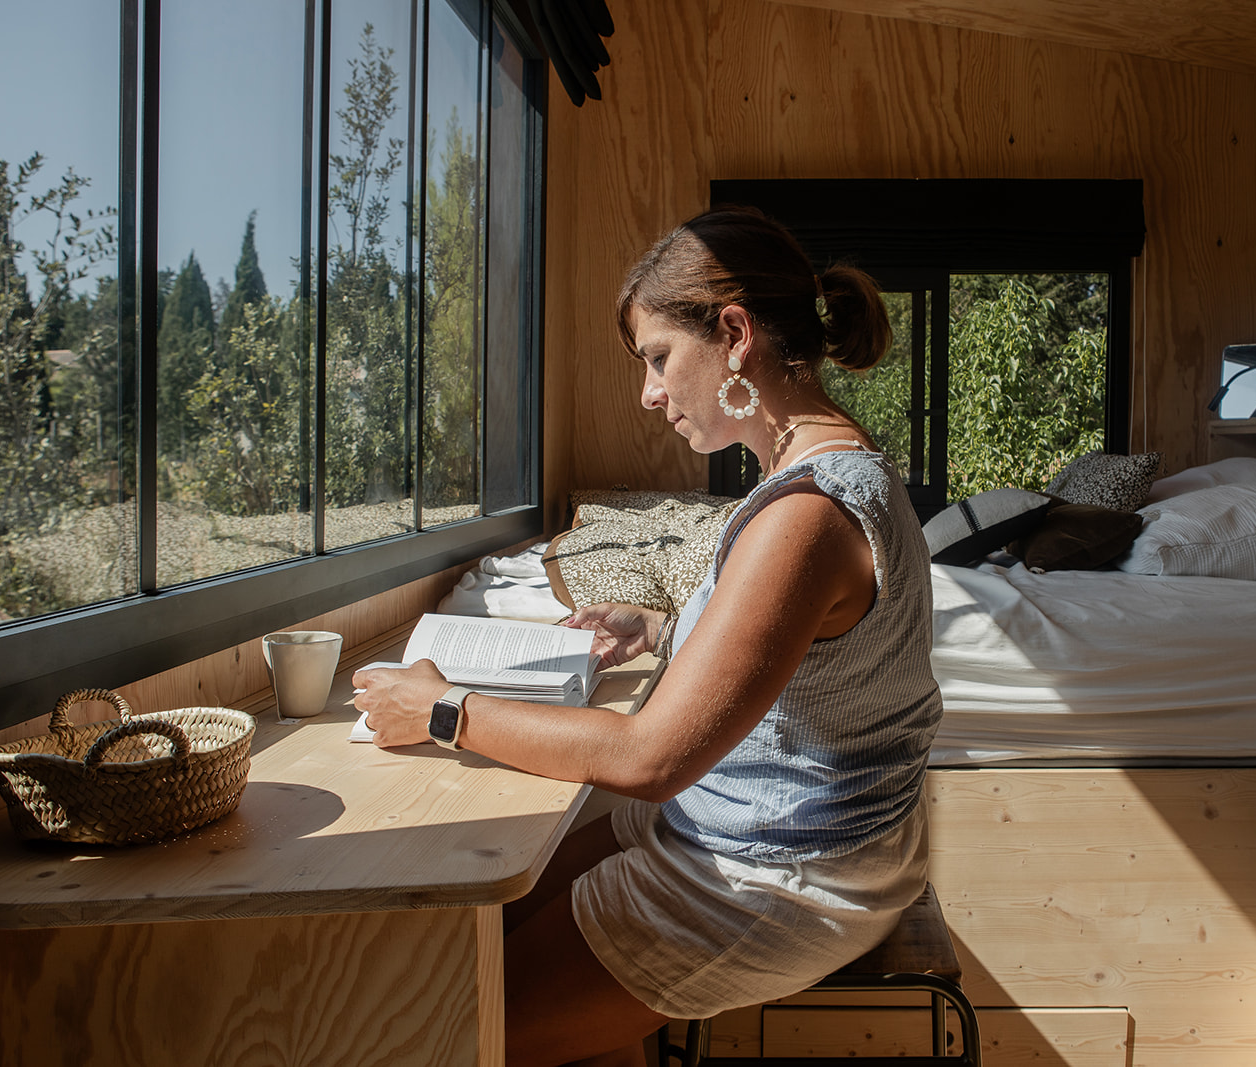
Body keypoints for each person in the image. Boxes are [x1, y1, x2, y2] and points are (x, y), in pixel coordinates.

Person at [353, 206, 943, 1067]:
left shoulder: (807, 513)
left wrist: (444, 709)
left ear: (734, 333)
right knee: (464, 931)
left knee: (445, 1031)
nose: (649, 393)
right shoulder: (820, 468)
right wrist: (667, 625)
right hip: (741, 827)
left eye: (660, 358)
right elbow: (808, 652)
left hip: (779, 876)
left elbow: (650, 758)